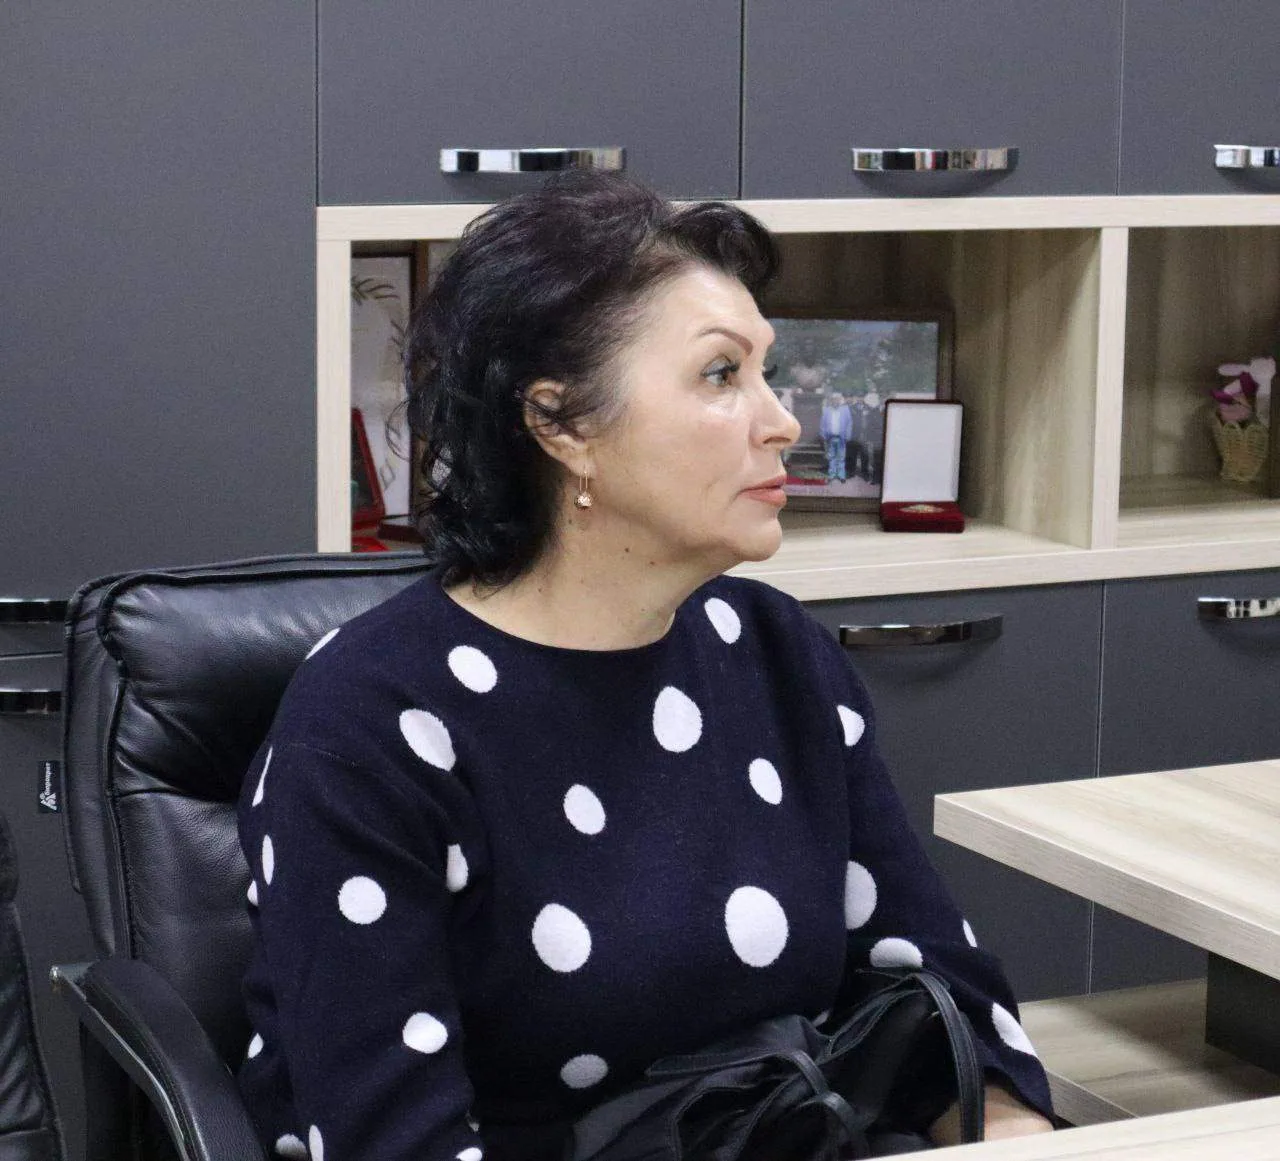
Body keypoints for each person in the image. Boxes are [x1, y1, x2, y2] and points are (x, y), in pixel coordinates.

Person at [235, 170, 1056, 1161]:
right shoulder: (369, 721)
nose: (782, 421)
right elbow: (389, 1136)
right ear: (561, 424)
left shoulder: (776, 654)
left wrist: (1016, 1137)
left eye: (765, 371)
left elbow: (925, 986)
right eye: (720, 375)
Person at [819, 390, 853, 482]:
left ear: (839, 400)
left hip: (841, 437)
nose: (835, 401)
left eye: (837, 399)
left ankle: (841, 475)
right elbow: (822, 424)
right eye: (834, 399)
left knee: (841, 457)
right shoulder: (827, 410)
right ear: (831, 401)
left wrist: (848, 435)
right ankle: (832, 474)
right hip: (830, 437)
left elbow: (849, 423)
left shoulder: (845, 410)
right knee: (832, 457)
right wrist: (823, 435)